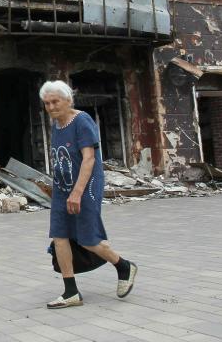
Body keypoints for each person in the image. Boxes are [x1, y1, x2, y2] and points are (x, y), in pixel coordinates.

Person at [40, 80, 137, 309]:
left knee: (87, 239)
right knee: (59, 236)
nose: (51, 107)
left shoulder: (82, 121)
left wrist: (77, 192)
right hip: (63, 189)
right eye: (47, 103)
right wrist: (64, 191)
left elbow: (89, 159)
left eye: (55, 101)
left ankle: (123, 266)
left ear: (68, 100)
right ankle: (71, 292)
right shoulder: (56, 124)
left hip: (85, 188)